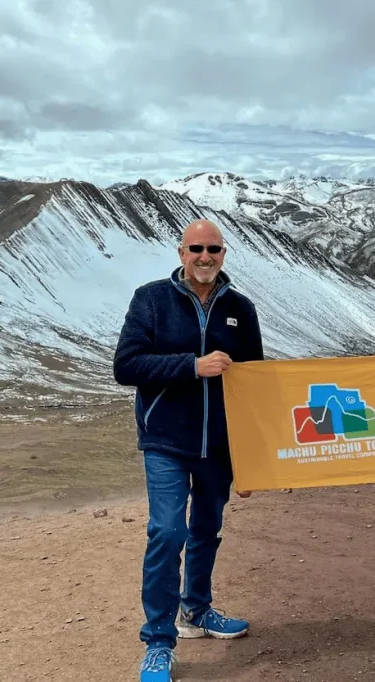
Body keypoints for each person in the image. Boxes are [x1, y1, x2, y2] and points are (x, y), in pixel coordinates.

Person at [113, 218, 265, 682]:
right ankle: (159, 641)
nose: (205, 257)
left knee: (206, 528)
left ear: (224, 254)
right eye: (196, 248)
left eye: (214, 249)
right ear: (181, 253)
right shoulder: (151, 299)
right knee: (166, 532)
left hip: (218, 446)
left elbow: (255, 384)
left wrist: (254, 460)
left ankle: (196, 610)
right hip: (166, 441)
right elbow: (126, 365)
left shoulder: (241, 307)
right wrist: (191, 366)